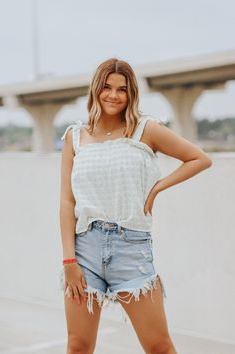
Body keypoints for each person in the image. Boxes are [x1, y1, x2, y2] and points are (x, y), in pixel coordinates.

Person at [59, 57, 212, 354]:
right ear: (95, 90)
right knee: (78, 346)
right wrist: (69, 263)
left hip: (130, 248)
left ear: (131, 94)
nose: (113, 95)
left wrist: (157, 188)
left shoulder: (146, 129)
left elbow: (199, 159)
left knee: (158, 346)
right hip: (84, 250)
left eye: (122, 89)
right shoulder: (74, 137)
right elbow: (67, 202)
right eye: (107, 87)